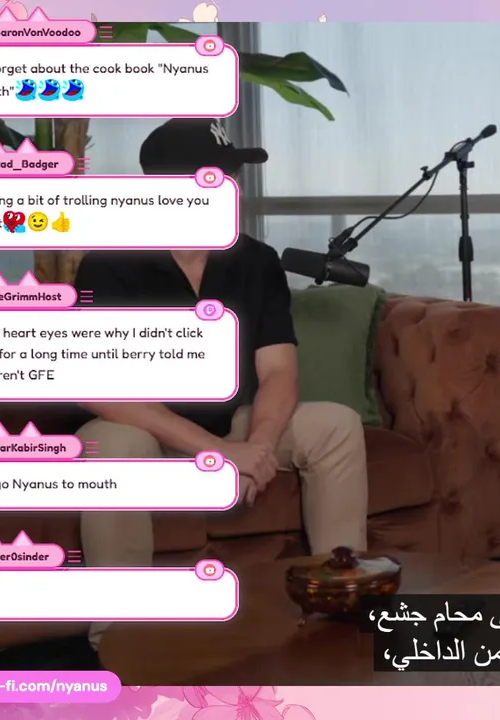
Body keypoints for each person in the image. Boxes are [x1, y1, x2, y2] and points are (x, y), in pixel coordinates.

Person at [72, 119, 370, 650]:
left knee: (335, 426)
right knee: (111, 446)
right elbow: (102, 391)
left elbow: (278, 371)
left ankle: (340, 610)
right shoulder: (109, 264)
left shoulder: (255, 260)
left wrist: (257, 448)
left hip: (232, 423)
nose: (233, 190)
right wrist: (217, 454)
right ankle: (120, 644)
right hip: (144, 431)